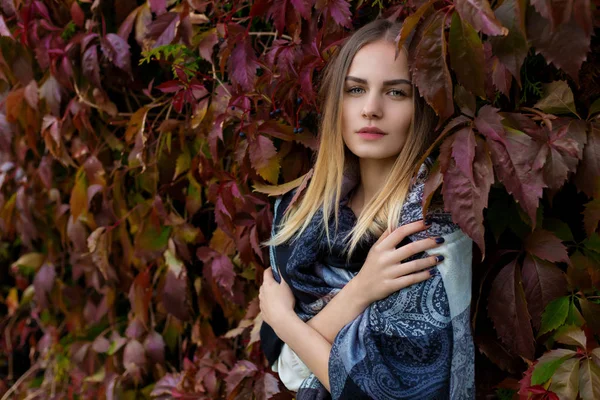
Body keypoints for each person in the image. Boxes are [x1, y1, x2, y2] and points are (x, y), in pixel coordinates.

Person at [258, 18, 474, 400]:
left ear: (422, 106)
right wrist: (361, 291)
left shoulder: (428, 231)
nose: (371, 109)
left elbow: (380, 391)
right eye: (355, 89)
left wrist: (282, 320)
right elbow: (286, 368)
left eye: (396, 93)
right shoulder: (301, 218)